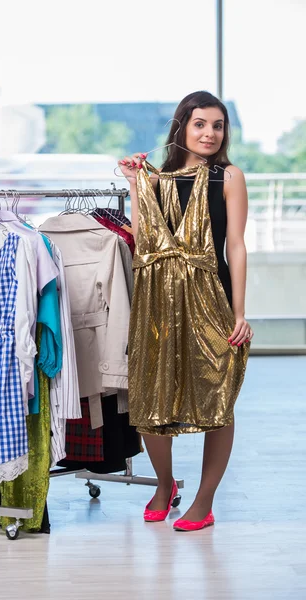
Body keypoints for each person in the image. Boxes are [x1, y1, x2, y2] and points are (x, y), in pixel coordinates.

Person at [118, 91, 254, 532]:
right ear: (181, 127)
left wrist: (239, 313)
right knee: (150, 396)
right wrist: (134, 184)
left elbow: (235, 245)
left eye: (218, 125)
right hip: (156, 302)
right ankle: (163, 485)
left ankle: (204, 500)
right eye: (200, 124)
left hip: (209, 297)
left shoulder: (228, 176)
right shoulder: (154, 179)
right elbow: (143, 240)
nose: (210, 133)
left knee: (219, 394)